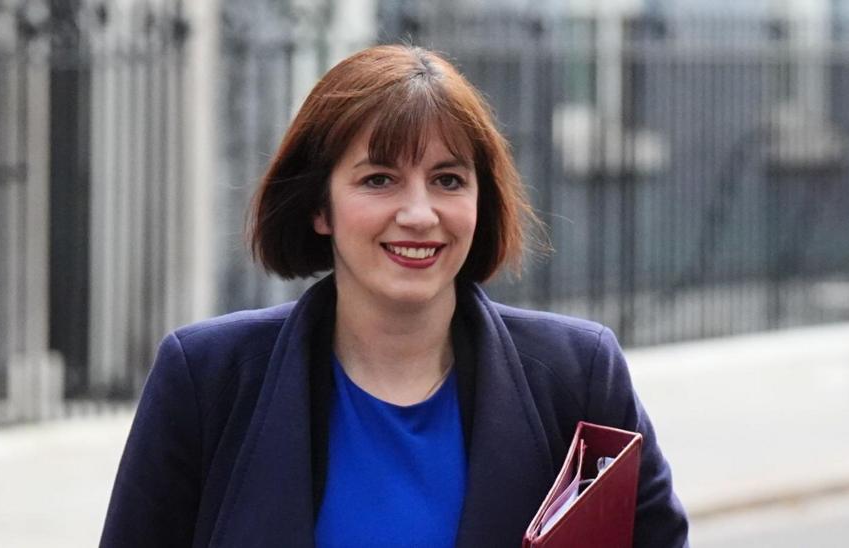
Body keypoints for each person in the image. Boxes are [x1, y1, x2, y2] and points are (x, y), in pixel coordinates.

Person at [100, 44, 688, 547]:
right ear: (319, 207)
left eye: (448, 180)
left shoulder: (579, 376)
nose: (419, 214)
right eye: (379, 179)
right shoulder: (205, 379)